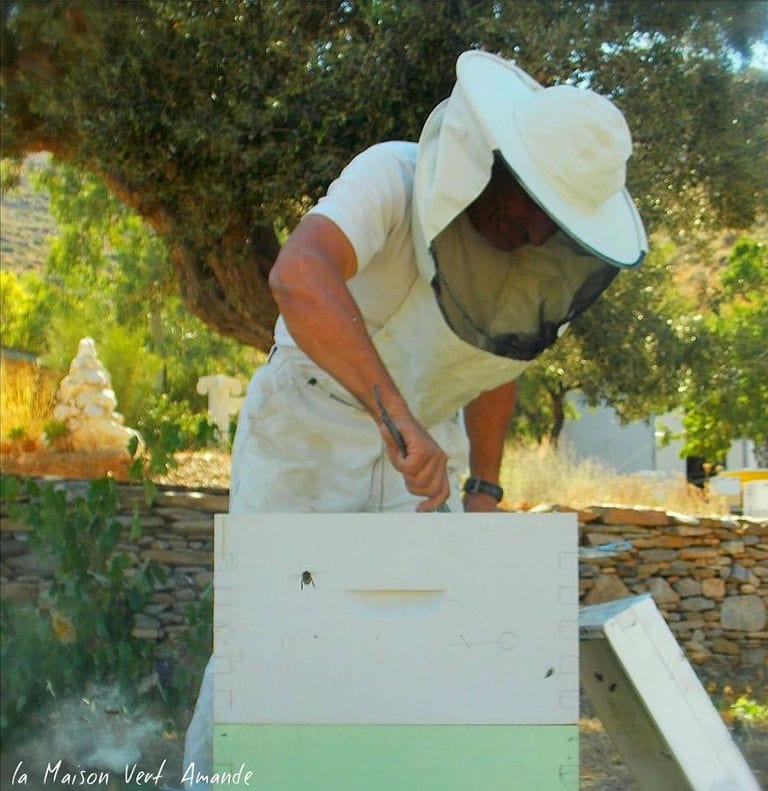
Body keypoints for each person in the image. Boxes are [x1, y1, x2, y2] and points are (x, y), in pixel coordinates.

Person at [182, 49, 647, 786]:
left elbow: (496, 366)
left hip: (421, 465)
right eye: (534, 207)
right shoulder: (393, 176)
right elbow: (297, 273)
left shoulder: (525, 256)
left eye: (553, 224)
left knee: (404, 655)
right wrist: (397, 416)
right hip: (306, 431)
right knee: (269, 642)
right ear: (499, 164)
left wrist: (486, 489)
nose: (533, 234)